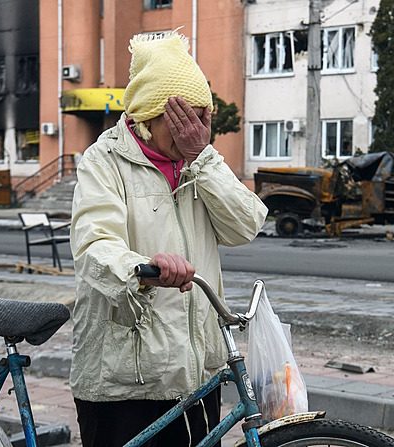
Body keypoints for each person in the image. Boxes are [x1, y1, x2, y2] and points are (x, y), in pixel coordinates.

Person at [69, 30, 268, 447]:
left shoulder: (199, 165)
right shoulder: (103, 161)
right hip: (128, 377)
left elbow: (245, 225)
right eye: (181, 119)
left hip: (198, 374)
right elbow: (94, 247)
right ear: (147, 116)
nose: (191, 131)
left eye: (200, 117)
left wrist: (205, 157)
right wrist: (142, 270)